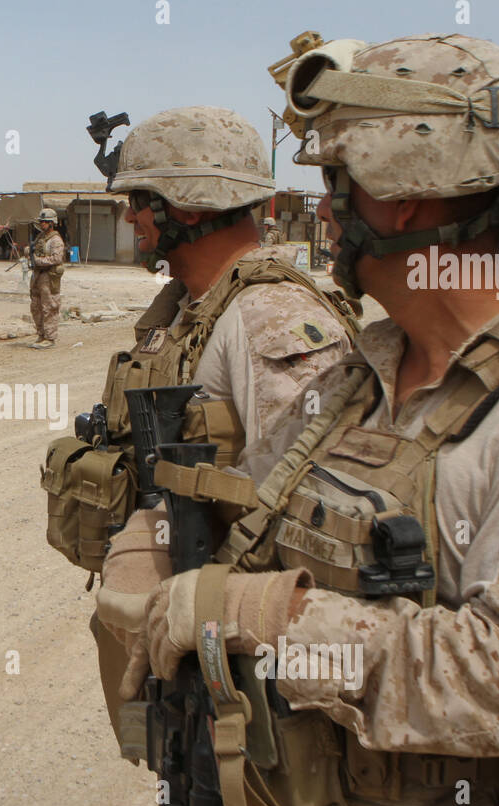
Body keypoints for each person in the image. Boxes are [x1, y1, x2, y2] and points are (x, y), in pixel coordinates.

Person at [117, 33, 499, 806]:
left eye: (336, 180)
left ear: (399, 192)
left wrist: (269, 617)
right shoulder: (361, 377)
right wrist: (150, 544)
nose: (323, 212)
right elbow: (242, 498)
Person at [59, 105, 360, 743]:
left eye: (142, 200)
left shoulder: (269, 318)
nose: (131, 216)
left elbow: (314, 516)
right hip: (193, 634)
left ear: (188, 209)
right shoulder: (189, 308)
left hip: (242, 657)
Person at [28, 209, 66, 348]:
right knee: (36, 306)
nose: (42, 224)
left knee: (49, 307)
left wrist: (38, 261)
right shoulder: (40, 238)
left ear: (52, 223)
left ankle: (50, 338)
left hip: (49, 276)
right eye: (41, 222)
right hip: (38, 275)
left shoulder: (56, 240)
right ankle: (41, 334)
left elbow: (57, 258)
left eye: (45, 222)